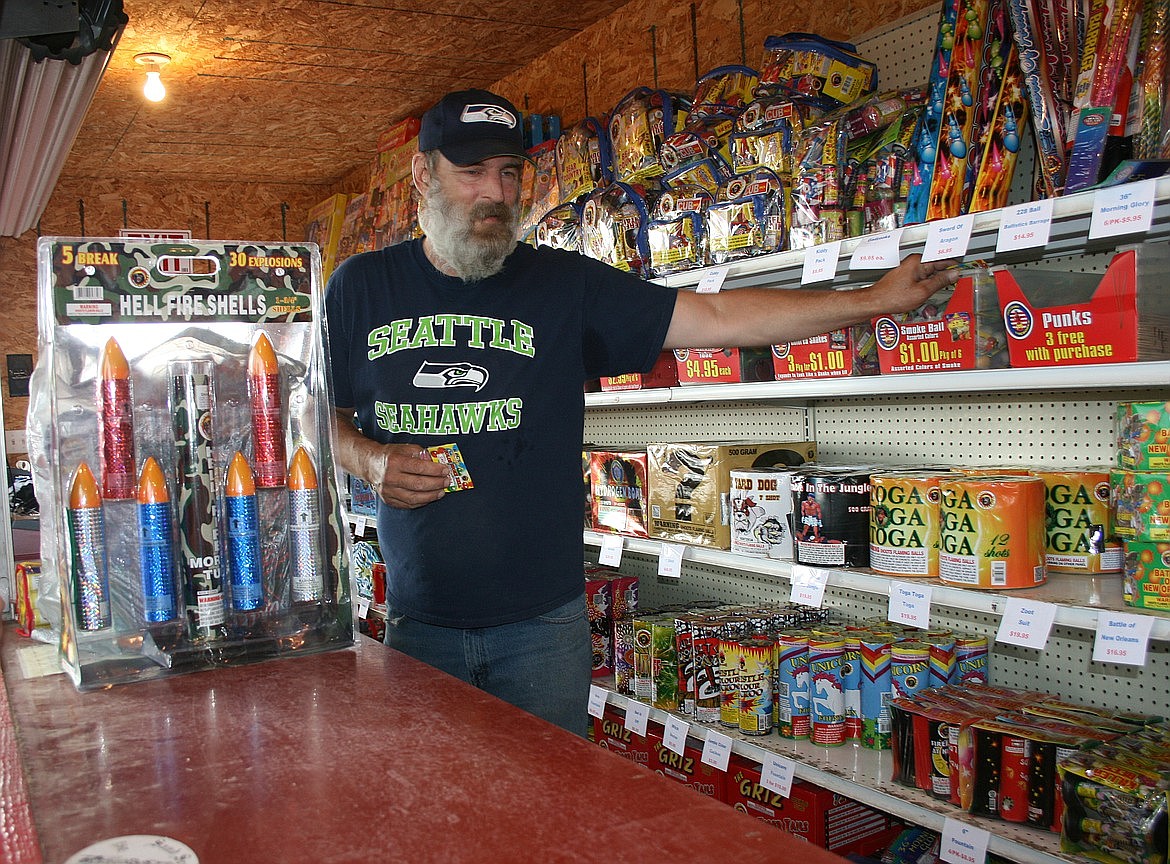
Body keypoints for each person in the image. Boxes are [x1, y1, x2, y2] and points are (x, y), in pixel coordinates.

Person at [324, 88, 959, 735]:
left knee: (549, 820)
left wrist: (872, 300)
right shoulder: (361, 287)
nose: (495, 192)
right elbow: (317, 416)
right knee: (432, 820)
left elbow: (715, 317)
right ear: (423, 175)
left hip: (543, 628)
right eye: (472, 172)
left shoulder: (561, 284)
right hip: (420, 623)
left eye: (509, 172)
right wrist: (369, 459)